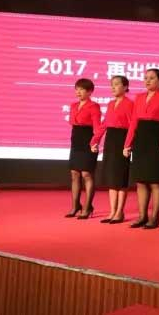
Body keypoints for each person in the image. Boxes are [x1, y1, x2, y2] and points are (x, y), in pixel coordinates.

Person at [123, 69, 159, 229]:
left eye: (152, 78)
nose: (147, 81)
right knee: (141, 181)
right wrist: (127, 144)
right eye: (145, 78)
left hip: (156, 138)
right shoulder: (139, 97)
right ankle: (142, 216)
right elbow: (133, 123)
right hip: (140, 140)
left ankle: (155, 217)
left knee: (155, 181)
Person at [90, 76, 133, 224]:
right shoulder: (110, 104)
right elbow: (104, 124)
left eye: (116, 84)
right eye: (111, 85)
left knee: (120, 178)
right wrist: (95, 140)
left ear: (125, 87)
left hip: (122, 140)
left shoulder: (129, 104)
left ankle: (119, 212)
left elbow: (132, 126)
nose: (113, 87)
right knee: (111, 178)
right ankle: (112, 211)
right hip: (111, 140)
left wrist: (127, 145)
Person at [66, 78, 101, 219]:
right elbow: (72, 122)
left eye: (82, 89)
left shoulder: (94, 106)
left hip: (88, 141)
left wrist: (94, 143)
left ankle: (87, 207)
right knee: (74, 173)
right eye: (77, 89)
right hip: (76, 141)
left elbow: (97, 127)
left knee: (86, 174)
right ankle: (75, 206)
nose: (78, 92)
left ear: (90, 92)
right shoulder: (73, 105)